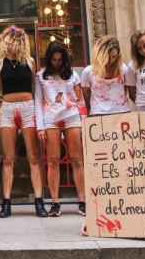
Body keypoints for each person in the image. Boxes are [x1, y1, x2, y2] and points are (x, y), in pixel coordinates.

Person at [0, 26, 47, 218]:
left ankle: (39, 202)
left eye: (13, 44)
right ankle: (6, 203)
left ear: (20, 44)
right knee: (8, 158)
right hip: (7, 108)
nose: (10, 48)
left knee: (33, 157)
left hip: (27, 106)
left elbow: (34, 86)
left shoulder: (30, 62)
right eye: (7, 45)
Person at [35, 42, 86, 217]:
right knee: (53, 160)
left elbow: (80, 100)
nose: (57, 62)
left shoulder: (72, 75)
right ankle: (55, 203)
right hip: (51, 119)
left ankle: (82, 201)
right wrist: (40, 127)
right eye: (54, 59)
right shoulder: (41, 76)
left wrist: (83, 120)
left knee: (77, 159)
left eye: (60, 59)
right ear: (49, 59)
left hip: (71, 115)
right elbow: (38, 103)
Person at [81, 35, 131, 116]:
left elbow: (127, 90)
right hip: (98, 114)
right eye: (107, 57)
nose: (110, 60)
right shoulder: (88, 71)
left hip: (122, 112)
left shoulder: (123, 69)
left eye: (114, 57)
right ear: (100, 55)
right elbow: (86, 96)